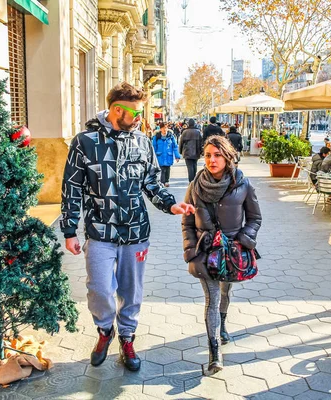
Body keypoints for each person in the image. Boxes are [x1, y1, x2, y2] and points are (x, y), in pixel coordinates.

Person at [61, 82, 195, 372]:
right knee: (99, 288)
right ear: (116, 110)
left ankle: (127, 337)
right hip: (99, 231)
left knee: (131, 290)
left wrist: (171, 204)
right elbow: (71, 187)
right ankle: (104, 330)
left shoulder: (142, 142)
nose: (139, 118)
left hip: (136, 231)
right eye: (135, 112)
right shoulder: (84, 141)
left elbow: (151, 183)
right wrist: (70, 230)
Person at [181, 136, 262, 373]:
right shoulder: (195, 185)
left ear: (227, 157)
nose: (211, 160)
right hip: (206, 251)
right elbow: (186, 221)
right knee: (211, 298)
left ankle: (223, 324)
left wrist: (243, 239)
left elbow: (255, 218)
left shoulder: (242, 183)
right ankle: (214, 351)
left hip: (233, 252)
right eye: (207, 155)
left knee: (226, 290)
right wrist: (190, 251)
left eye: (217, 155)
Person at [153, 122, 181, 187]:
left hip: (168, 156)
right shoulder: (156, 137)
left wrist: (177, 156)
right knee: (162, 169)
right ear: (160, 129)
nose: (165, 129)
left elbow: (175, 146)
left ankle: (167, 181)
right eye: (163, 128)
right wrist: (152, 157)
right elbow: (153, 147)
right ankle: (162, 182)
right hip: (160, 156)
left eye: (166, 127)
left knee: (167, 169)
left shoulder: (171, 136)